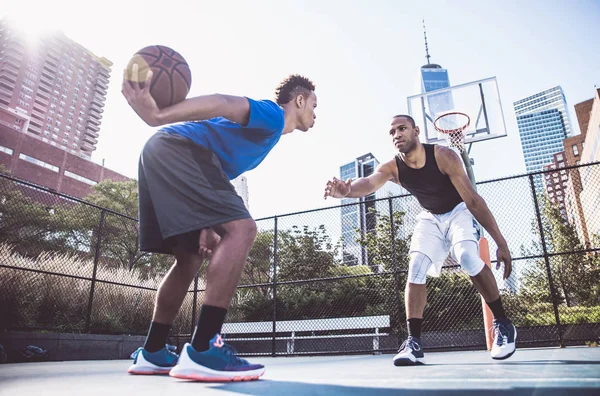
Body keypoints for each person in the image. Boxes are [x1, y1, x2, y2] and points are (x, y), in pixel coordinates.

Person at [122, 64, 317, 381]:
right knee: (244, 228)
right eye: (314, 104)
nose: (315, 112)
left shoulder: (265, 135)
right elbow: (221, 102)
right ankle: (203, 349)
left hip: (165, 153)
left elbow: (213, 168)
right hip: (179, 148)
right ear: (299, 100)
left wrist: (207, 222)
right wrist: (158, 114)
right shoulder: (272, 115)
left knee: (189, 259)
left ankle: (153, 351)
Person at [323, 114, 516, 366]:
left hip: (459, 211)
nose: (396, 135)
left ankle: (503, 323)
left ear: (416, 131)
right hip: (430, 217)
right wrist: (347, 191)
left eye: (402, 129)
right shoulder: (393, 167)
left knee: (468, 257)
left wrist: (501, 242)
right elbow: (369, 183)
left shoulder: (443, 156)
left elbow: (473, 201)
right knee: (415, 267)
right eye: (392, 132)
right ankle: (413, 343)